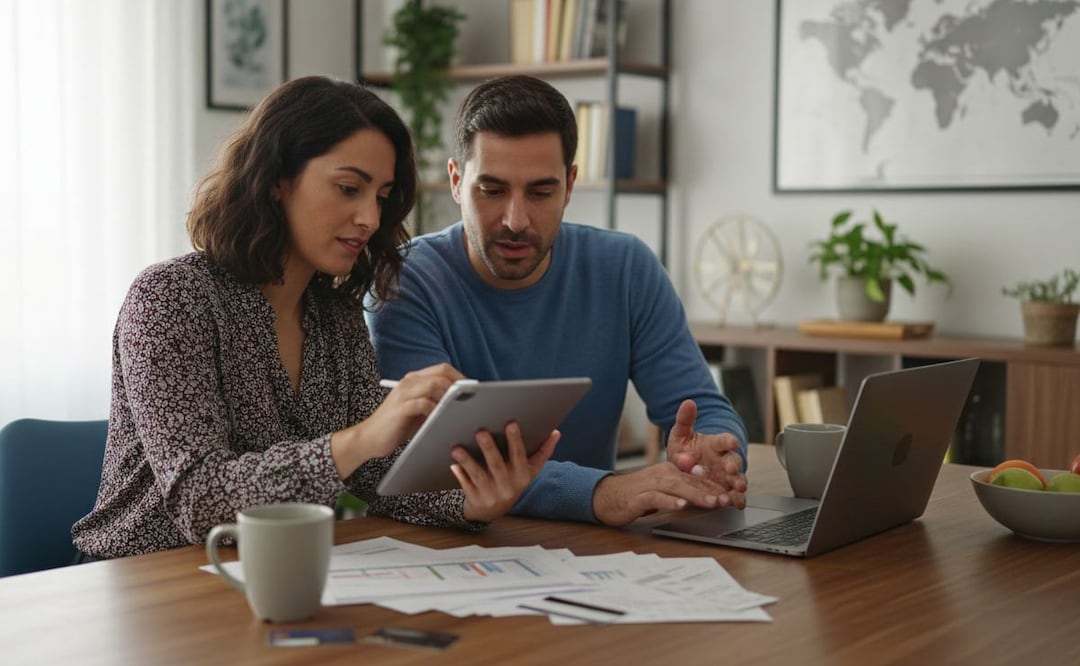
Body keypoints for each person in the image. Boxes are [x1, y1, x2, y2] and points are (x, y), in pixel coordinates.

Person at [72, 76, 558, 560]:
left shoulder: (335, 316)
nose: (369, 216)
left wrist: (469, 501)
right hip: (147, 582)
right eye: (349, 188)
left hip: (276, 568)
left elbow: (377, 475)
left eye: (381, 196)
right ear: (278, 179)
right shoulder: (169, 299)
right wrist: (361, 438)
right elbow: (201, 502)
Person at [366, 75, 748, 527]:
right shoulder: (405, 281)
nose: (515, 220)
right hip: (452, 543)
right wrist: (600, 493)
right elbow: (438, 464)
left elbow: (698, 404)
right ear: (455, 181)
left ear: (569, 185)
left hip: (593, 550)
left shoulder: (626, 269)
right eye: (491, 190)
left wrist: (713, 452)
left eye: (541, 192)